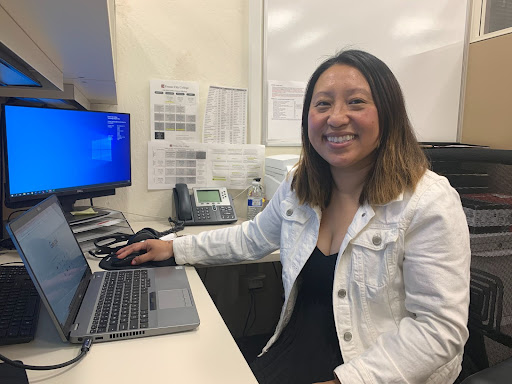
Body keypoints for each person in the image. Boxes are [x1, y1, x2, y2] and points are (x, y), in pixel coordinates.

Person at [117, 49, 471, 384]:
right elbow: (250, 238)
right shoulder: (299, 185)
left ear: (388, 113)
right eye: (322, 104)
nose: (336, 117)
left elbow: (439, 329)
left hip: (379, 371)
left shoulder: (428, 201)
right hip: (297, 347)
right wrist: (174, 248)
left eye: (356, 102)